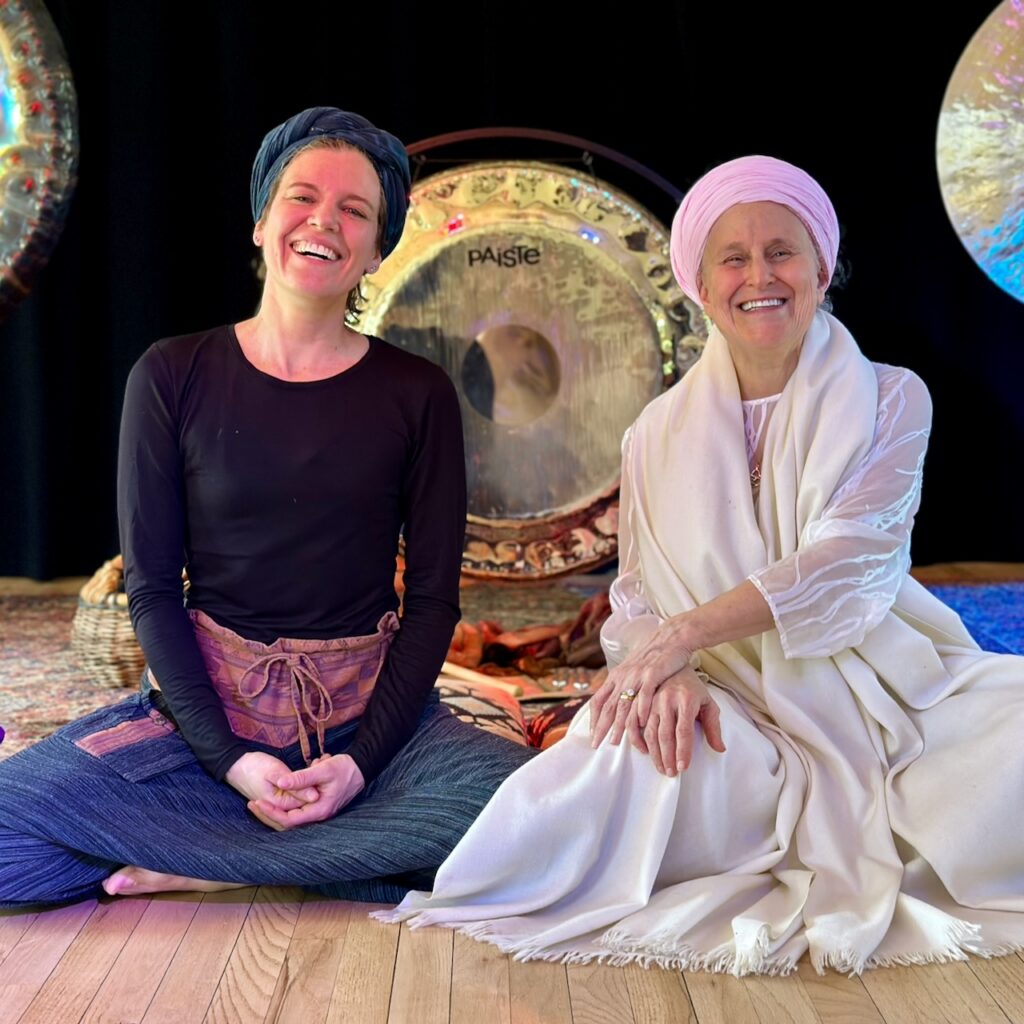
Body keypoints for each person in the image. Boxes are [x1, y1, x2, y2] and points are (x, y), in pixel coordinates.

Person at [375, 155, 1024, 975]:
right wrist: (672, 671)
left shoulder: (893, 396)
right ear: (702, 286)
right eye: (734, 258)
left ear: (821, 269)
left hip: (891, 697)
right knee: (624, 760)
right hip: (728, 703)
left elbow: (850, 562)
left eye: (782, 252)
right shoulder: (654, 431)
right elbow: (636, 594)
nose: (761, 276)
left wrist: (682, 635)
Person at [0, 107, 533, 909]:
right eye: (302, 198)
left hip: (372, 734)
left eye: (355, 210)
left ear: (378, 248)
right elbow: (152, 590)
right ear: (260, 221)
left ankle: (217, 862)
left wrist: (358, 766)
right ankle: (310, 856)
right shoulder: (171, 374)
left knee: (541, 819)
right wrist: (234, 763)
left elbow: (431, 602)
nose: (324, 221)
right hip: (208, 732)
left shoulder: (417, 393)